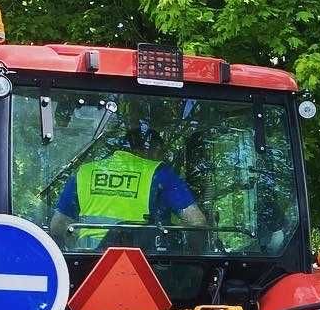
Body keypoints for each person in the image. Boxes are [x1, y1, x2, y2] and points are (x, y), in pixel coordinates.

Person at [49, 98, 207, 245]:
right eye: (161, 152)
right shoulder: (160, 172)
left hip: (89, 264)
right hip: (144, 264)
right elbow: (196, 222)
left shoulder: (84, 173)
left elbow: (57, 226)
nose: (162, 157)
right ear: (149, 148)